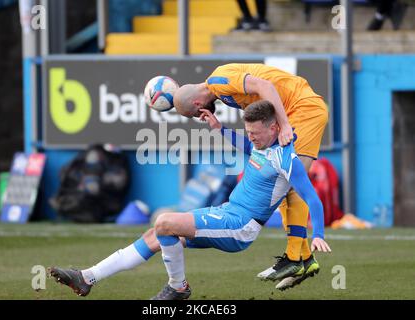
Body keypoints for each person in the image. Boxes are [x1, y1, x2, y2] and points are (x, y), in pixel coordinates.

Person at [48, 101, 331, 300]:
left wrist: (316, 234)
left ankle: (178, 287)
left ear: (273, 128)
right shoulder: (261, 144)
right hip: (227, 212)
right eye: (249, 133)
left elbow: (312, 199)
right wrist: (219, 128)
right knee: (155, 235)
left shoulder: (287, 158)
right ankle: (87, 277)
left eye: (256, 133)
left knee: (165, 223)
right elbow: (248, 147)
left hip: (241, 225)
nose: (252, 138)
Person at [172, 63, 329, 290]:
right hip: (299, 109)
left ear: (198, 103)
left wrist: (284, 124)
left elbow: (264, 85)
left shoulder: (218, 82)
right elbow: (250, 143)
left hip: (302, 110)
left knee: (291, 183)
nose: (200, 116)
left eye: (196, 113)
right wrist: (219, 127)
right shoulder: (220, 90)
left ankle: (296, 258)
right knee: (286, 183)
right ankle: (303, 258)